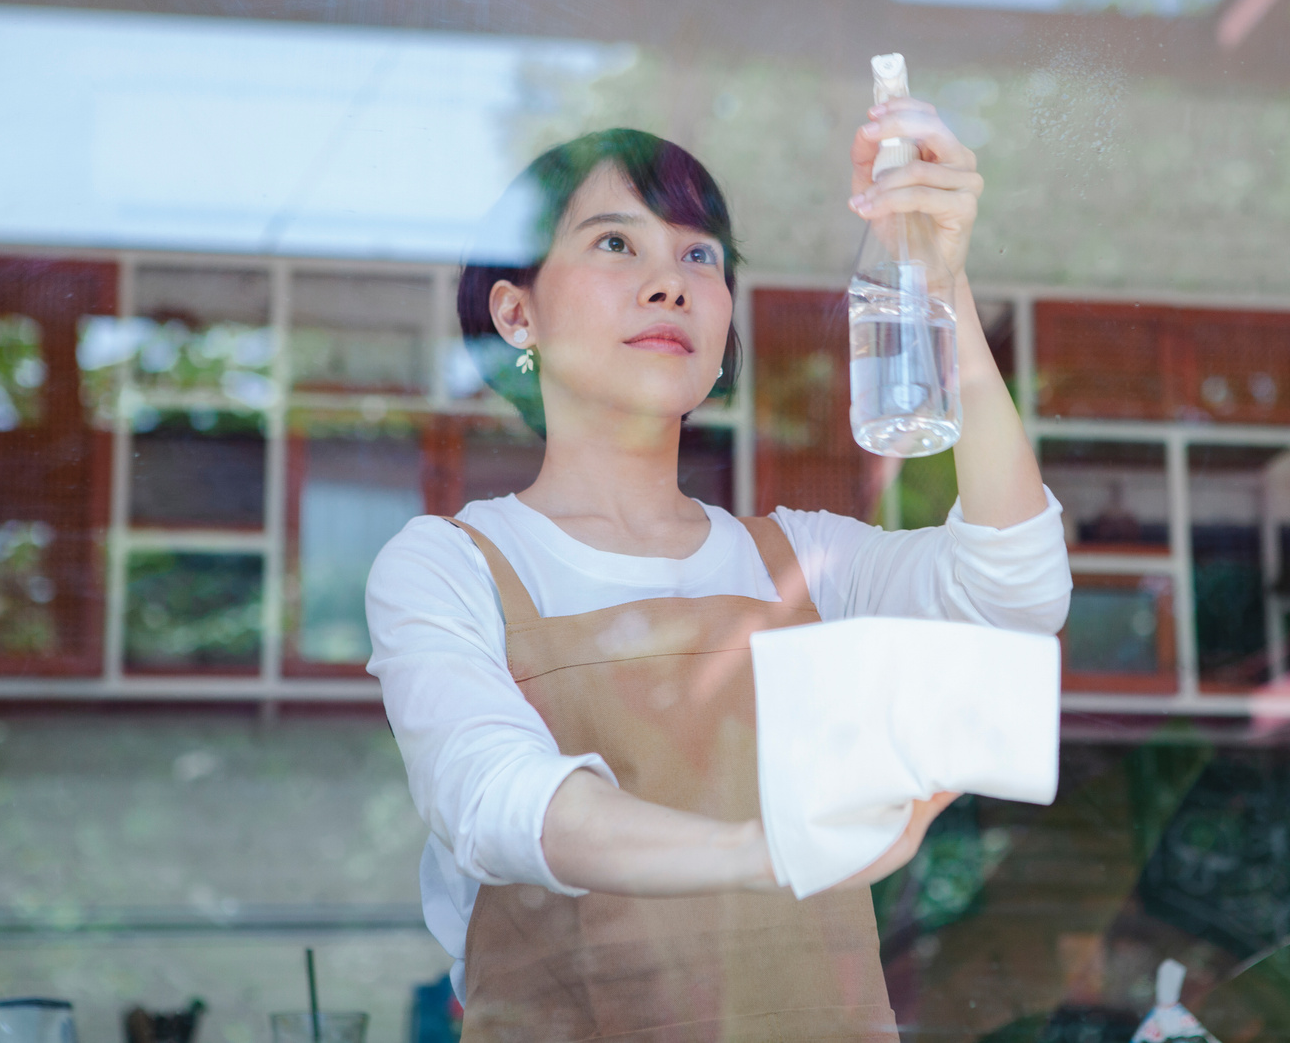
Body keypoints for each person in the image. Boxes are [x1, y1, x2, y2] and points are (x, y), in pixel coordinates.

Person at [367, 103, 1071, 1040]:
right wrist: (766, 850)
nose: (670, 283)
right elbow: (496, 799)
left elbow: (1014, 593)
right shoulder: (448, 566)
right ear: (515, 311)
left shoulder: (806, 561)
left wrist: (939, 284)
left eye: (701, 256)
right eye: (616, 244)